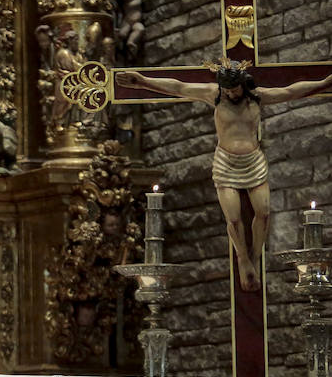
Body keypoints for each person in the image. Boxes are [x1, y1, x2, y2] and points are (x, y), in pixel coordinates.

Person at [117, 62, 332, 291]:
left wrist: (324, 83)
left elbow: (291, 91)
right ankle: (243, 259)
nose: (230, 93)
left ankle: (256, 258)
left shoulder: (257, 98)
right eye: (227, 89)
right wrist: (142, 80)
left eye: (234, 89)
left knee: (264, 213)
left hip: (253, 162)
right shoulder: (215, 96)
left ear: (243, 83)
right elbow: (178, 87)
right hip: (226, 164)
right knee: (234, 219)